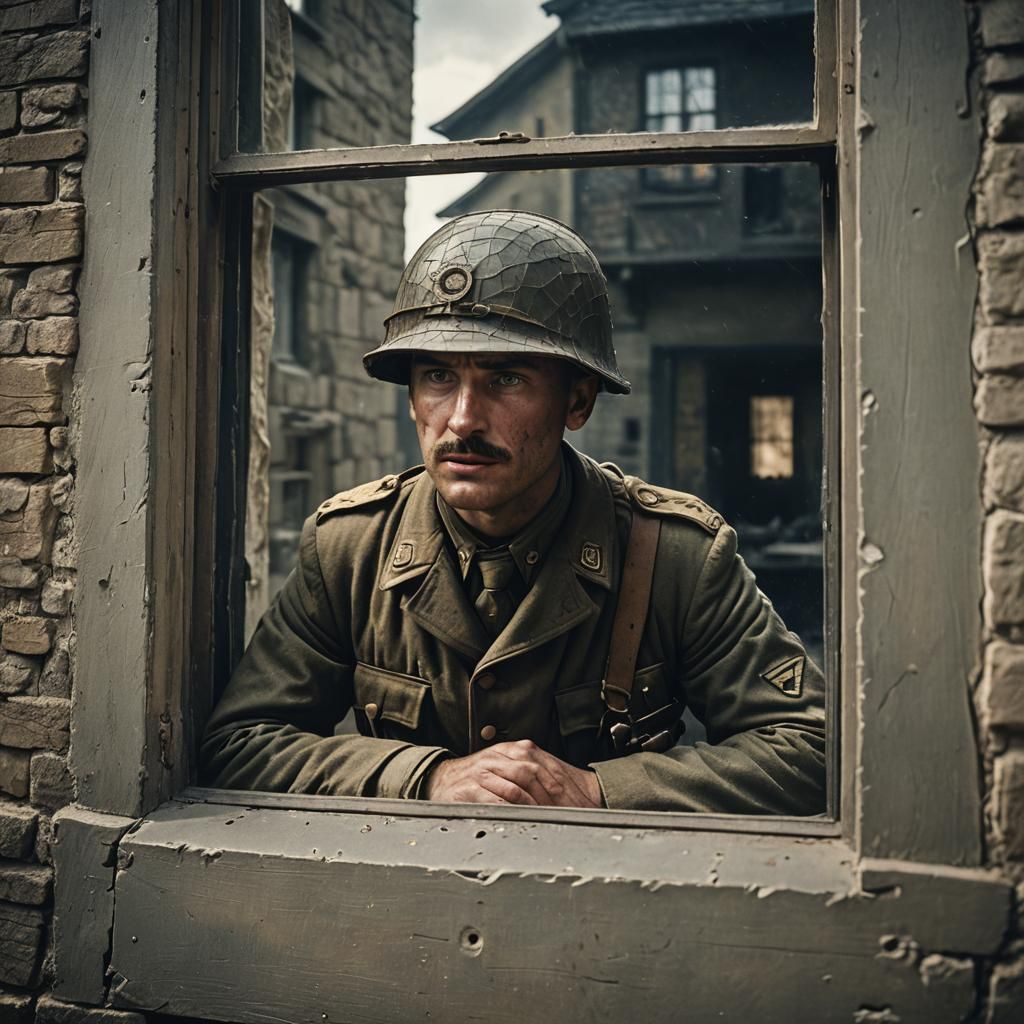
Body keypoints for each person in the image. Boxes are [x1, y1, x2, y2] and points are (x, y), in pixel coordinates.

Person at [201, 210, 826, 813]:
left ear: (577, 401)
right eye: (439, 377)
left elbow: (808, 752)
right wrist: (426, 778)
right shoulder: (349, 548)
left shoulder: (674, 556)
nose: (463, 420)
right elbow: (240, 744)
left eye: (506, 379)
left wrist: (596, 792)